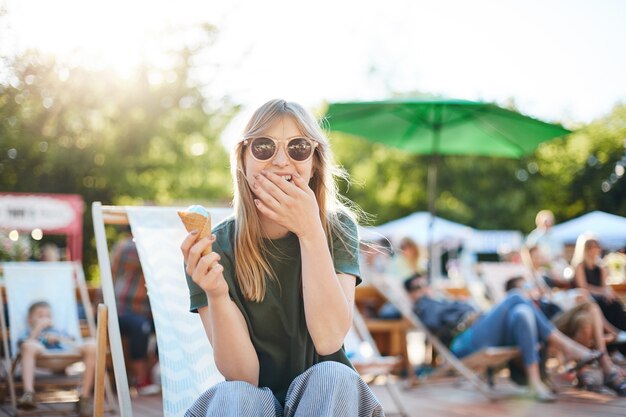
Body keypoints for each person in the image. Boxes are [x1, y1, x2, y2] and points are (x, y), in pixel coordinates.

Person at [181, 99, 384, 416]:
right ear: (243, 159)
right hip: (254, 403)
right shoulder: (212, 246)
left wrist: (309, 231)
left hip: (327, 402)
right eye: (263, 146)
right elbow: (243, 377)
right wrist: (218, 295)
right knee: (234, 396)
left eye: (298, 147)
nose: (280, 161)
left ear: (314, 162)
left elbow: (329, 340)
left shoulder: (337, 229)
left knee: (334, 375)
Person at [404, 273, 605, 402]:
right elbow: (437, 322)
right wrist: (438, 301)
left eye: (424, 284)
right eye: (416, 287)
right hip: (465, 340)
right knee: (516, 296)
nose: (423, 289)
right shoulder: (423, 305)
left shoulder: (439, 299)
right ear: (410, 294)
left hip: (482, 329)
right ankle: (567, 347)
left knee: (522, 313)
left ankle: (535, 382)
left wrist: (454, 301)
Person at [505, 276, 626, 395]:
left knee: (584, 320)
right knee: (590, 305)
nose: (530, 288)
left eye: (529, 285)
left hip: (557, 329)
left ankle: (582, 372)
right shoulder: (519, 309)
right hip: (545, 333)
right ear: (514, 293)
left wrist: (546, 296)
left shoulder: (542, 302)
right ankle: (606, 365)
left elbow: (558, 311)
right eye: (525, 286)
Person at [16, 301, 96, 416]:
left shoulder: (59, 330)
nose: (45, 318)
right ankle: (29, 393)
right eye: (40, 315)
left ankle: (85, 396)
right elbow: (22, 346)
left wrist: (58, 338)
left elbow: (74, 344)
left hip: (65, 355)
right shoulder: (27, 331)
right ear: (30, 319)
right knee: (28, 345)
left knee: (92, 344)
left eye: (48, 316)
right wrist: (37, 330)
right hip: (42, 355)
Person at [110, 229, 159, 395]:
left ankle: (149, 375)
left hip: (144, 312)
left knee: (168, 326)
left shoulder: (149, 247)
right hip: (120, 310)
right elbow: (141, 257)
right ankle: (140, 379)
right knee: (140, 326)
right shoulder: (128, 247)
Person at [572, 235, 626, 332]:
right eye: (592, 247)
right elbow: (583, 287)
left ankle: (621, 332)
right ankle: (614, 332)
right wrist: (603, 292)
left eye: (596, 246)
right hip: (587, 297)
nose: (596, 249)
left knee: (614, 302)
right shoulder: (580, 266)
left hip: (599, 295)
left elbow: (604, 286)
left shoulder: (600, 268)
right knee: (605, 304)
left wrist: (608, 292)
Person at [526, 210, 568, 277]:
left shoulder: (555, 237)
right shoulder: (534, 237)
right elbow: (530, 255)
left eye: (550, 221)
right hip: (542, 269)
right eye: (546, 221)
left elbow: (561, 252)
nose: (548, 224)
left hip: (557, 266)